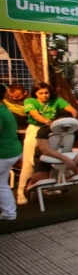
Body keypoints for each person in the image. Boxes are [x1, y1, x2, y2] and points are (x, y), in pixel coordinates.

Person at [18, 83, 78, 205]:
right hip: (36, 129)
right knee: (29, 163)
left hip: (53, 130)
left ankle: (50, 187)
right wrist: (49, 122)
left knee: (53, 159)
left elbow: (73, 110)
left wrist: (68, 121)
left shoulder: (57, 100)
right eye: (40, 93)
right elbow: (35, 114)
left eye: (46, 92)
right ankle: (21, 193)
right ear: (35, 93)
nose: (44, 95)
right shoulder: (30, 101)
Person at [0, 85, 22, 219]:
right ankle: (9, 213)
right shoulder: (4, 109)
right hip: (12, 152)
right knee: (2, 184)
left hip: (3, 154)